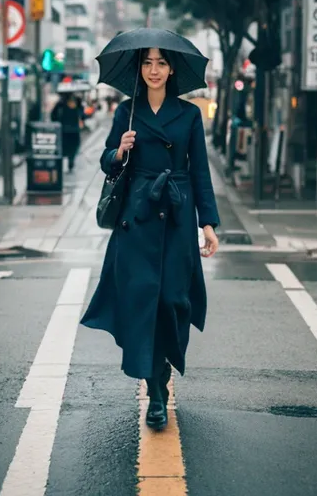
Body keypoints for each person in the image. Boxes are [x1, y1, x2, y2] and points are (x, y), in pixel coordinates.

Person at [81, 47, 219, 431]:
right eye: (147, 63)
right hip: (137, 220)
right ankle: (156, 391)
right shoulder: (126, 111)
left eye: (160, 63)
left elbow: (201, 172)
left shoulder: (189, 114)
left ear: (172, 68)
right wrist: (120, 150)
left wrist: (207, 223)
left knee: (174, 300)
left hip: (176, 216)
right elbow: (107, 160)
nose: (153, 70)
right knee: (144, 302)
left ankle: (161, 370)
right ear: (138, 68)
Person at [51, 93, 83, 171]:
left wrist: (58, 122)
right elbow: (82, 114)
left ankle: (60, 164)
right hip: (74, 130)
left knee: (63, 148)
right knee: (73, 147)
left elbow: (53, 115)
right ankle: (70, 161)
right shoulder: (77, 103)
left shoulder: (60, 103)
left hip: (64, 130)